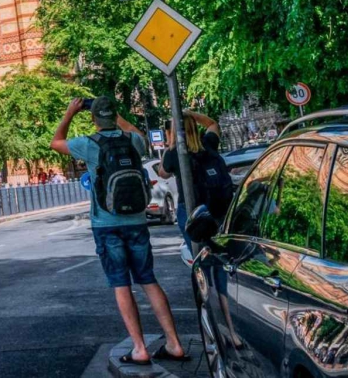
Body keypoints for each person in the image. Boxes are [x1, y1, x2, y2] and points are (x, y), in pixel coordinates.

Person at [54, 96, 187, 366]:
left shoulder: (89, 144)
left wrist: (69, 113)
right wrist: (115, 114)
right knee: (148, 279)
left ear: (94, 119)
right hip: (136, 221)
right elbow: (138, 133)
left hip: (106, 224)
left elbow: (56, 142)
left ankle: (139, 348)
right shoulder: (133, 140)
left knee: (121, 284)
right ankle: (174, 343)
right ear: (114, 116)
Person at [155, 110, 230, 244]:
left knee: (198, 248)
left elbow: (163, 173)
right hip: (216, 205)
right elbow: (212, 124)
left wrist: (170, 143)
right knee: (220, 246)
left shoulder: (174, 153)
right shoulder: (208, 143)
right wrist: (189, 113)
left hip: (189, 206)